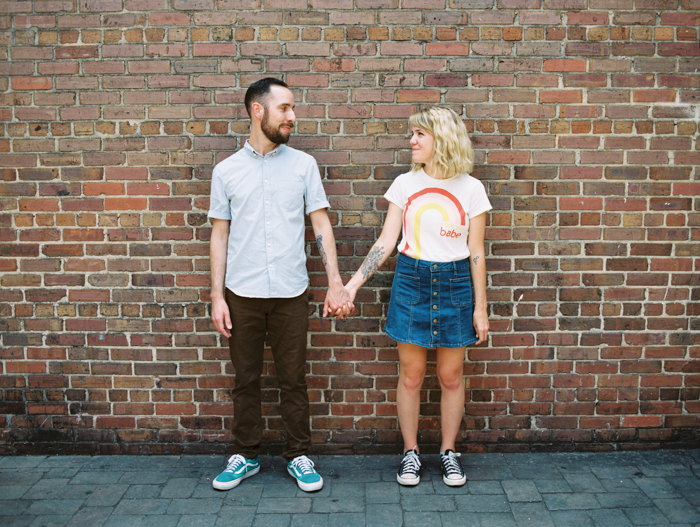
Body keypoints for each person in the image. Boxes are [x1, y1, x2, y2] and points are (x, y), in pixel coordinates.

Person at [208, 77, 351, 493]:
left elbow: (320, 222)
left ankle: (299, 455)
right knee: (245, 379)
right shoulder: (227, 171)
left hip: (291, 292)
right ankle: (246, 455)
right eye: (285, 108)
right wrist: (217, 296)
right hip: (241, 294)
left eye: (292, 109)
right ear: (258, 110)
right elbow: (220, 234)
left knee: (294, 378)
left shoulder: (303, 165)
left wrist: (335, 281)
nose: (292, 116)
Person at [344, 107, 491, 487]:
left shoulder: (472, 188)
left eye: (419, 134)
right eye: (412, 134)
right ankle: (410, 453)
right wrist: (352, 285)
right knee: (410, 376)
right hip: (412, 279)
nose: (411, 141)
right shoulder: (405, 184)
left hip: (457, 282)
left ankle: (447, 452)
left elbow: (476, 251)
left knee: (450, 376)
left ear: (441, 138)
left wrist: (481, 308)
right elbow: (386, 241)